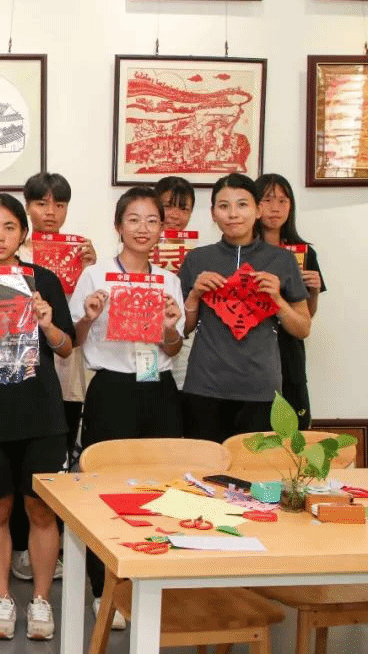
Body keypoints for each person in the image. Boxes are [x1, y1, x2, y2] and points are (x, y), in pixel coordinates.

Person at [0, 193, 75, 641]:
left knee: (41, 510)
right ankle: (2, 598)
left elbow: (66, 348)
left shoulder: (43, 280)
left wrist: (46, 322)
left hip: (41, 412)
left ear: (23, 233)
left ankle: (41, 600)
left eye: (9, 227)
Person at [69, 187, 184, 628]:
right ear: (118, 226)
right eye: (133, 219)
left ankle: (152, 583)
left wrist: (170, 327)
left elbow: (172, 347)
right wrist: (89, 316)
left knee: (161, 489)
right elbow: (74, 340)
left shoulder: (168, 281)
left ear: (161, 229)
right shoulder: (95, 275)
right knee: (104, 489)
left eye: (152, 220)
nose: (143, 228)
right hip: (112, 390)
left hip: (159, 388)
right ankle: (106, 591)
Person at [179, 173, 311, 442]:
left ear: (258, 210)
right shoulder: (197, 259)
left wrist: (277, 300)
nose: (233, 214)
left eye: (242, 204)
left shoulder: (282, 260)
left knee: (257, 468)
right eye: (223, 206)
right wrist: (194, 294)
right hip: (204, 387)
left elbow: (303, 328)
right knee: (206, 466)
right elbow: (182, 330)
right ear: (213, 213)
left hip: (261, 389)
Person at [14, 172, 94, 583]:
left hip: (69, 368)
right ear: (28, 206)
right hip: (27, 369)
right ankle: (20, 549)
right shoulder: (14, 251)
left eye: (59, 205)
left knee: (57, 463)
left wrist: (91, 268)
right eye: (42, 203)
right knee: (21, 464)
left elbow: (83, 318)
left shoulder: (81, 253)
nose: (51, 212)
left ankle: (52, 544)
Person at [256, 173, 325, 426]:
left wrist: (313, 291)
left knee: (294, 431)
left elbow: (306, 318)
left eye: (283, 201)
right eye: (267, 200)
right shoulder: (243, 252)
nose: (275, 208)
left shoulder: (304, 253)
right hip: (252, 352)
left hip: (289, 351)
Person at [154, 175, 197, 390]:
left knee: (181, 394)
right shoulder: (132, 254)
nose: (174, 215)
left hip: (185, 343)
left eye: (183, 208)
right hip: (143, 343)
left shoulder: (199, 257)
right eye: (167, 206)